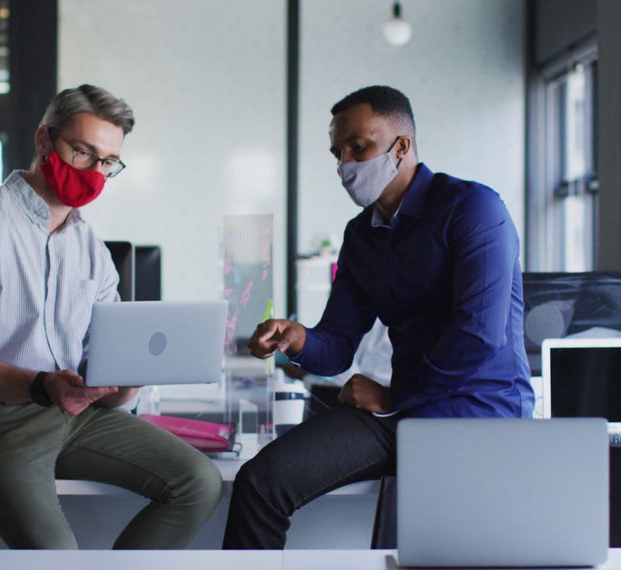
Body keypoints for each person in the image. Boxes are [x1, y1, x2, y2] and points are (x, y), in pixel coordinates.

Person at [222, 85, 533, 549]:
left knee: (422, 545)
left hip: (475, 411)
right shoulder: (361, 235)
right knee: (260, 483)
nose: (345, 163)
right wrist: (297, 337)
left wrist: (393, 394)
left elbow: (478, 337)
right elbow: (337, 343)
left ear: (401, 146)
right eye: (338, 151)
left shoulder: (473, 208)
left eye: (359, 147)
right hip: (400, 411)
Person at [0, 84, 222, 549]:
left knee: (199, 482)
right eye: (83, 152)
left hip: (72, 414)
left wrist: (125, 380)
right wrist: (41, 384)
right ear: (44, 140)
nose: (95, 172)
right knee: (57, 557)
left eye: (107, 163)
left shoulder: (90, 249)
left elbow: (100, 368)